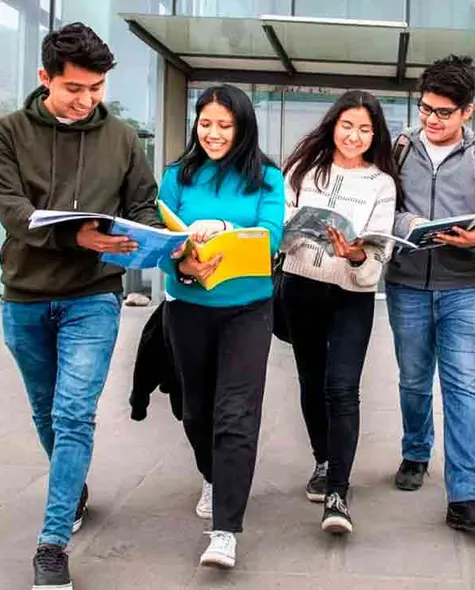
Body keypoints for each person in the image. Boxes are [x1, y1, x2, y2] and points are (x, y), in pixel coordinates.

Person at [0, 23, 160, 590]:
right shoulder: (9, 132)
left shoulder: (120, 137)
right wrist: (75, 237)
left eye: (95, 89)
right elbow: (11, 210)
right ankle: (73, 486)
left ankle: (52, 544)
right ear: (45, 78)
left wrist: (149, 239)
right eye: (75, 88)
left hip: (93, 296)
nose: (87, 100)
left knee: (73, 414)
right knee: (47, 413)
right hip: (23, 297)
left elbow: (142, 204)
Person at [159, 84, 284, 569]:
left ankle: (226, 529)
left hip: (247, 310)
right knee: (196, 413)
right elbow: (160, 237)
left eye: (224, 125)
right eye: (205, 123)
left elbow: (273, 237)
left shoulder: (267, 178)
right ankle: (212, 476)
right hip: (188, 308)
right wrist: (182, 265)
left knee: (236, 414)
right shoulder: (177, 175)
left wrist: (228, 232)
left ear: (243, 127)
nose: (212, 133)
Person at [386, 55, 475, 532]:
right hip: (407, 283)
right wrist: (407, 224)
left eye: (442, 112)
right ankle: (416, 451)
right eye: (425, 110)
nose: (431, 121)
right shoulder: (397, 150)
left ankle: (465, 496)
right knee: (414, 380)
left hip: (464, 288)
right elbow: (383, 209)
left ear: (466, 112)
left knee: (463, 388)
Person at [278, 90, 398, 534]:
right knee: (311, 380)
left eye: (365, 129)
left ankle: (338, 494)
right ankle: (323, 461)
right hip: (300, 288)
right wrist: (292, 232)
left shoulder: (382, 183)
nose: (355, 135)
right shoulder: (303, 170)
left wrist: (353, 255)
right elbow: (280, 228)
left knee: (342, 387)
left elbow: (378, 250)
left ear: (375, 135)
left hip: (351, 295)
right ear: (333, 124)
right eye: (348, 125)